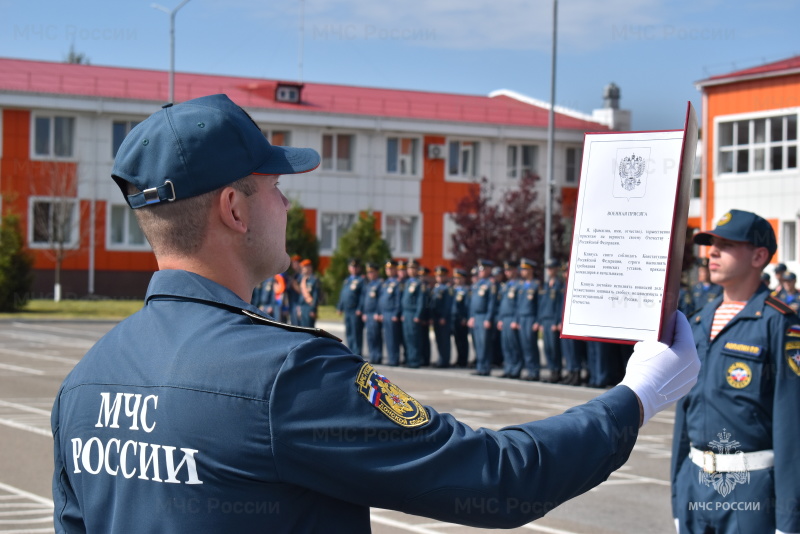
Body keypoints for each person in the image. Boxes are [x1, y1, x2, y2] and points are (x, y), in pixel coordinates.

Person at [52, 94, 701, 533]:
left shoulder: (83, 384)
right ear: (234, 208)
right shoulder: (286, 375)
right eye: (276, 186)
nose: (286, 205)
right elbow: (497, 478)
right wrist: (639, 394)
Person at [671, 209, 800, 533]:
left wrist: (789, 519)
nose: (712, 251)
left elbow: (792, 426)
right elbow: (684, 415)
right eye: (711, 243)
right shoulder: (698, 321)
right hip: (694, 483)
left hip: (751, 489)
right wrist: (678, 492)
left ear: (758, 256)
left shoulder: (780, 324)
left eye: (726, 244)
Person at [468, 259, 497, 376]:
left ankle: (485, 367)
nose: (481, 272)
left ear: (488, 270)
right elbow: (473, 303)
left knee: (485, 344)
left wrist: (488, 318)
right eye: (480, 269)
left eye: (483, 269)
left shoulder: (491, 285)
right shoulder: (477, 285)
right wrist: (471, 317)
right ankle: (480, 366)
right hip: (476, 316)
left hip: (484, 316)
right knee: (478, 343)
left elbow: (491, 303)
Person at [538, 259, 564, 383]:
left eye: (551, 268)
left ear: (556, 269)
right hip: (545, 320)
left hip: (553, 321)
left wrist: (557, 321)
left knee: (554, 348)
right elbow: (542, 305)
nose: (549, 270)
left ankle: (557, 371)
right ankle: (551, 370)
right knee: (547, 348)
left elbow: (560, 305)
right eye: (548, 268)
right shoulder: (546, 284)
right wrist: (541, 321)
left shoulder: (559, 285)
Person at [496, 260, 523, 379]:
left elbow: (519, 305)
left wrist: (516, 319)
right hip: (505, 318)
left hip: (512, 318)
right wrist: (500, 319)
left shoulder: (519, 285)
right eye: (506, 270)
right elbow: (501, 304)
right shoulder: (505, 286)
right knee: (505, 346)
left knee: (514, 345)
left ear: (515, 271)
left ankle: (516, 369)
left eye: (510, 270)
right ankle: (508, 368)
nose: (507, 272)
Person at [516, 258, 542, 381]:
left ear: (530, 270)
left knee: (531, 345)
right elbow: (518, 304)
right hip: (522, 317)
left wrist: (537, 320)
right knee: (524, 345)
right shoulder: (521, 286)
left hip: (531, 317)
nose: (522, 272)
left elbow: (539, 305)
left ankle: (534, 371)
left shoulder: (536, 285)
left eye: (525, 269)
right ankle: (529, 369)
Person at [400, 259, 428, 369]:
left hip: (413, 313)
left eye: (413, 268)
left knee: (414, 338)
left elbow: (421, 301)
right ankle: (410, 359)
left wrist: (418, 315)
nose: (411, 271)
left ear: (417, 270)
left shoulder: (419, 283)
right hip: (406, 313)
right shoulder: (407, 282)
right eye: (409, 268)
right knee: (407, 338)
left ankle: (415, 360)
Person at [377, 260, 403, 366]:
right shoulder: (385, 283)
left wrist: (396, 313)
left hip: (392, 314)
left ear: (395, 269)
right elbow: (381, 299)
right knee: (387, 337)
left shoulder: (397, 283)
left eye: (391, 268)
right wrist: (380, 313)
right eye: (387, 269)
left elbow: (398, 300)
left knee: (393, 337)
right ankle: (391, 357)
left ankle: (394, 359)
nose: (389, 270)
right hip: (385, 313)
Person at [337, 258, 365, 354]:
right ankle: (350, 351)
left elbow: (362, 296)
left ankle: (357, 352)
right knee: (349, 331)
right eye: (352, 267)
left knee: (356, 332)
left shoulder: (361, 280)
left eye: (355, 267)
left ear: (359, 268)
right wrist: (340, 307)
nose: (354, 269)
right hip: (347, 310)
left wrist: (360, 308)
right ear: (349, 268)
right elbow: (343, 294)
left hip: (355, 310)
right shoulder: (347, 280)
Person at [430, 266, 454, 368]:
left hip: (443, 319)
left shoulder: (447, 289)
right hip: (436, 317)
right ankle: (440, 359)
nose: (439, 278)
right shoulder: (436, 288)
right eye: (438, 276)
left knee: (444, 340)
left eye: (441, 276)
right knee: (438, 339)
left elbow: (448, 305)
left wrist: (444, 317)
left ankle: (445, 360)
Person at [361, 262, 384, 364]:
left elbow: (381, 300)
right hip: (368, 314)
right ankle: (372, 355)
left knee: (376, 336)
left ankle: (378, 356)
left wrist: (378, 312)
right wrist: (364, 313)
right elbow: (366, 300)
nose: (370, 274)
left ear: (376, 272)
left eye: (372, 272)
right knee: (370, 336)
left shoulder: (380, 284)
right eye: (368, 272)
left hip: (375, 314)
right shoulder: (369, 284)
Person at [450, 268, 471, 368]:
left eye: (459, 278)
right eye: (455, 278)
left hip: (461, 318)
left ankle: (463, 360)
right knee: (457, 340)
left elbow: (467, 305)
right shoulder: (453, 290)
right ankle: (459, 359)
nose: (456, 280)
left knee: (463, 340)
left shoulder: (466, 290)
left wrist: (465, 318)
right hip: (454, 318)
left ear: (463, 279)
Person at [295, 259, 320, 328]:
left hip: (309, 307)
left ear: (309, 268)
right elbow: (301, 296)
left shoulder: (314, 280)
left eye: (304, 267)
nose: (302, 269)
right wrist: (299, 308)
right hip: (302, 307)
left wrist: (313, 310)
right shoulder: (303, 280)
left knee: (309, 329)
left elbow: (316, 296)